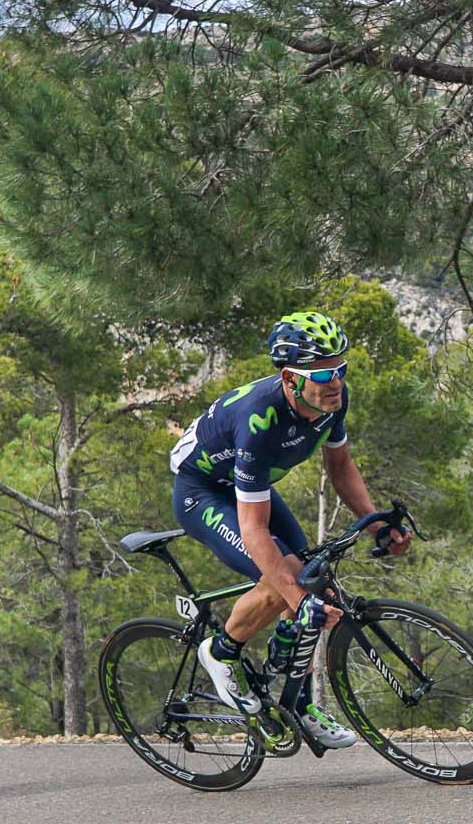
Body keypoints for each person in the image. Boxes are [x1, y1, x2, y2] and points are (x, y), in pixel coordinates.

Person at [167, 311, 411, 746]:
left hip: (249, 491)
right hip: (202, 492)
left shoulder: (331, 400)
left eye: (341, 368)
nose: (335, 381)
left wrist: (375, 523)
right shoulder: (260, 422)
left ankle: (294, 701)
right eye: (322, 373)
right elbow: (254, 531)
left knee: (313, 582)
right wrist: (296, 598)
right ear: (289, 378)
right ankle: (221, 653)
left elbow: (341, 467)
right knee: (289, 581)